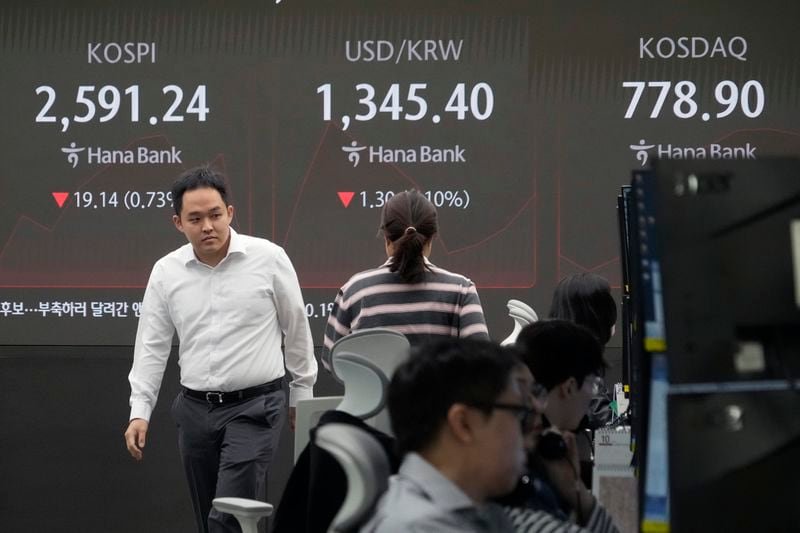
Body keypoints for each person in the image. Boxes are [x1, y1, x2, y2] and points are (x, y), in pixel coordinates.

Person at [123, 166, 317, 533]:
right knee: (213, 518)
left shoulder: (269, 258)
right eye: (195, 218)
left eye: (214, 215)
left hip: (256, 407)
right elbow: (152, 344)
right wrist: (139, 411)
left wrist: (301, 394)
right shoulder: (166, 272)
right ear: (178, 223)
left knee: (226, 517)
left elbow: (296, 328)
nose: (207, 226)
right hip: (195, 411)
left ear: (230, 213)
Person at [361, 338, 530, 532]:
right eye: (518, 413)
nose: (525, 433)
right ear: (463, 423)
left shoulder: (476, 511)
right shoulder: (419, 527)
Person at [321, 189, 489, 371]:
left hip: (374, 400)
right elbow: (480, 363)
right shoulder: (461, 290)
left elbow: (332, 362)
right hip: (439, 400)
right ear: (431, 239)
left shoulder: (354, 290)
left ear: (386, 239)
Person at [502, 320, 615, 530]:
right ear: (570, 386)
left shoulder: (546, 463)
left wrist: (576, 491)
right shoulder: (523, 486)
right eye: (593, 383)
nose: (535, 405)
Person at [548, 273, 617, 428]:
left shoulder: (559, 352)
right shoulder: (577, 362)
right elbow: (601, 414)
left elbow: (606, 404)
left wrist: (616, 405)